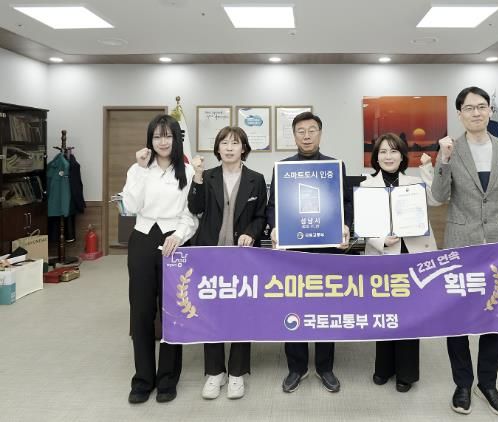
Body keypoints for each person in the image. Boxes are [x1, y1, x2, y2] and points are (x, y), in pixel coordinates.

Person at [431, 86, 498, 417]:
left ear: (489, 111)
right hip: (461, 245)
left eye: (482, 106)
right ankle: (462, 384)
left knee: (494, 319)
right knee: (457, 320)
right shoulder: (451, 149)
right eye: (469, 108)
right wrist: (443, 159)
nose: (476, 112)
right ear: (459, 114)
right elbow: (439, 196)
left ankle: (488, 384)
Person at [266, 111, 352, 394]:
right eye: (301, 131)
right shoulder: (283, 168)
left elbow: (346, 203)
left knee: (326, 308)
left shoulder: (334, 166)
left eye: (312, 130)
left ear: (320, 133)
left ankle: (325, 367)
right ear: (294, 136)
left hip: (327, 250)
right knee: (294, 307)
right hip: (294, 250)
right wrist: (274, 228)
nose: (306, 136)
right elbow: (272, 206)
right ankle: (297, 367)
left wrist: (345, 225)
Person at [187, 126, 267, 400]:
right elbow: (195, 208)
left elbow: (261, 217)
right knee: (212, 313)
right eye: (224, 143)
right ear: (218, 148)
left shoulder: (256, 179)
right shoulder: (207, 176)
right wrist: (197, 176)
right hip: (210, 255)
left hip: (242, 256)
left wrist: (251, 233)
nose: (230, 147)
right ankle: (214, 372)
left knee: (242, 313)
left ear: (244, 148)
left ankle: (236, 373)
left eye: (235, 143)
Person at [122, 114, 198, 404]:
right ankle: (143, 379)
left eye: (168, 136)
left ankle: (167, 379)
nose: (162, 142)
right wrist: (141, 170)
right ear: (150, 140)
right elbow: (131, 206)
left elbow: (192, 215)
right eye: (157, 136)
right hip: (142, 238)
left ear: (176, 139)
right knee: (141, 311)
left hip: (173, 242)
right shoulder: (138, 168)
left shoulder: (187, 171)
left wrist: (179, 235)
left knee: (172, 312)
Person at [361, 133, 441, 393]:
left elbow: (436, 199)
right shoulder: (366, 186)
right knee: (384, 314)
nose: (388, 156)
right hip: (383, 255)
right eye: (383, 152)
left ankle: (406, 373)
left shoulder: (415, 182)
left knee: (410, 316)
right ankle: (383, 368)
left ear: (402, 156)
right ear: (376, 158)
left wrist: (427, 168)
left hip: (412, 255)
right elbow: (363, 226)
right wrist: (381, 240)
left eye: (394, 151)